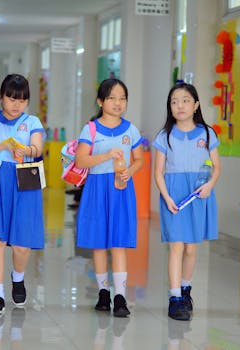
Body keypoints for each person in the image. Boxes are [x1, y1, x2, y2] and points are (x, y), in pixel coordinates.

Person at [0, 74, 45, 317]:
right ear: (1, 97)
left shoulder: (32, 121)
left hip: (24, 179)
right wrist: (4, 145)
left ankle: (18, 277)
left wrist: (26, 150)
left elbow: (37, 147)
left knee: (22, 245)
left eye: (22, 100)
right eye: (11, 99)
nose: (16, 105)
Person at [74, 78, 144, 318]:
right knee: (99, 243)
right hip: (96, 188)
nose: (118, 103)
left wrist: (129, 171)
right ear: (100, 101)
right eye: (112, 98)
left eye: (122, 98)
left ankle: (120, 296)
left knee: (119, 242)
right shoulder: (90, 129)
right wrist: (105, 155)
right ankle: (103, 292)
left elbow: (139, 160)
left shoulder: (131, 129)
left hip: (121, 188)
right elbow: (81, 160)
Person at [152, 82, 221, 321]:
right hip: (173, 195)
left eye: (185, 100)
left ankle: (186, 289)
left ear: (196, 105)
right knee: (176, 246)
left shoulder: (208, 133)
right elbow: (158, 173)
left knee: (191, 247)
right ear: (169, 107)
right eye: (174, 101)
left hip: (198, 194)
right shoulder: (164, 136)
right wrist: (167, 196)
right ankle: (174, 298)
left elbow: (216, 168)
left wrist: (209, 186)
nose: (179, 105)